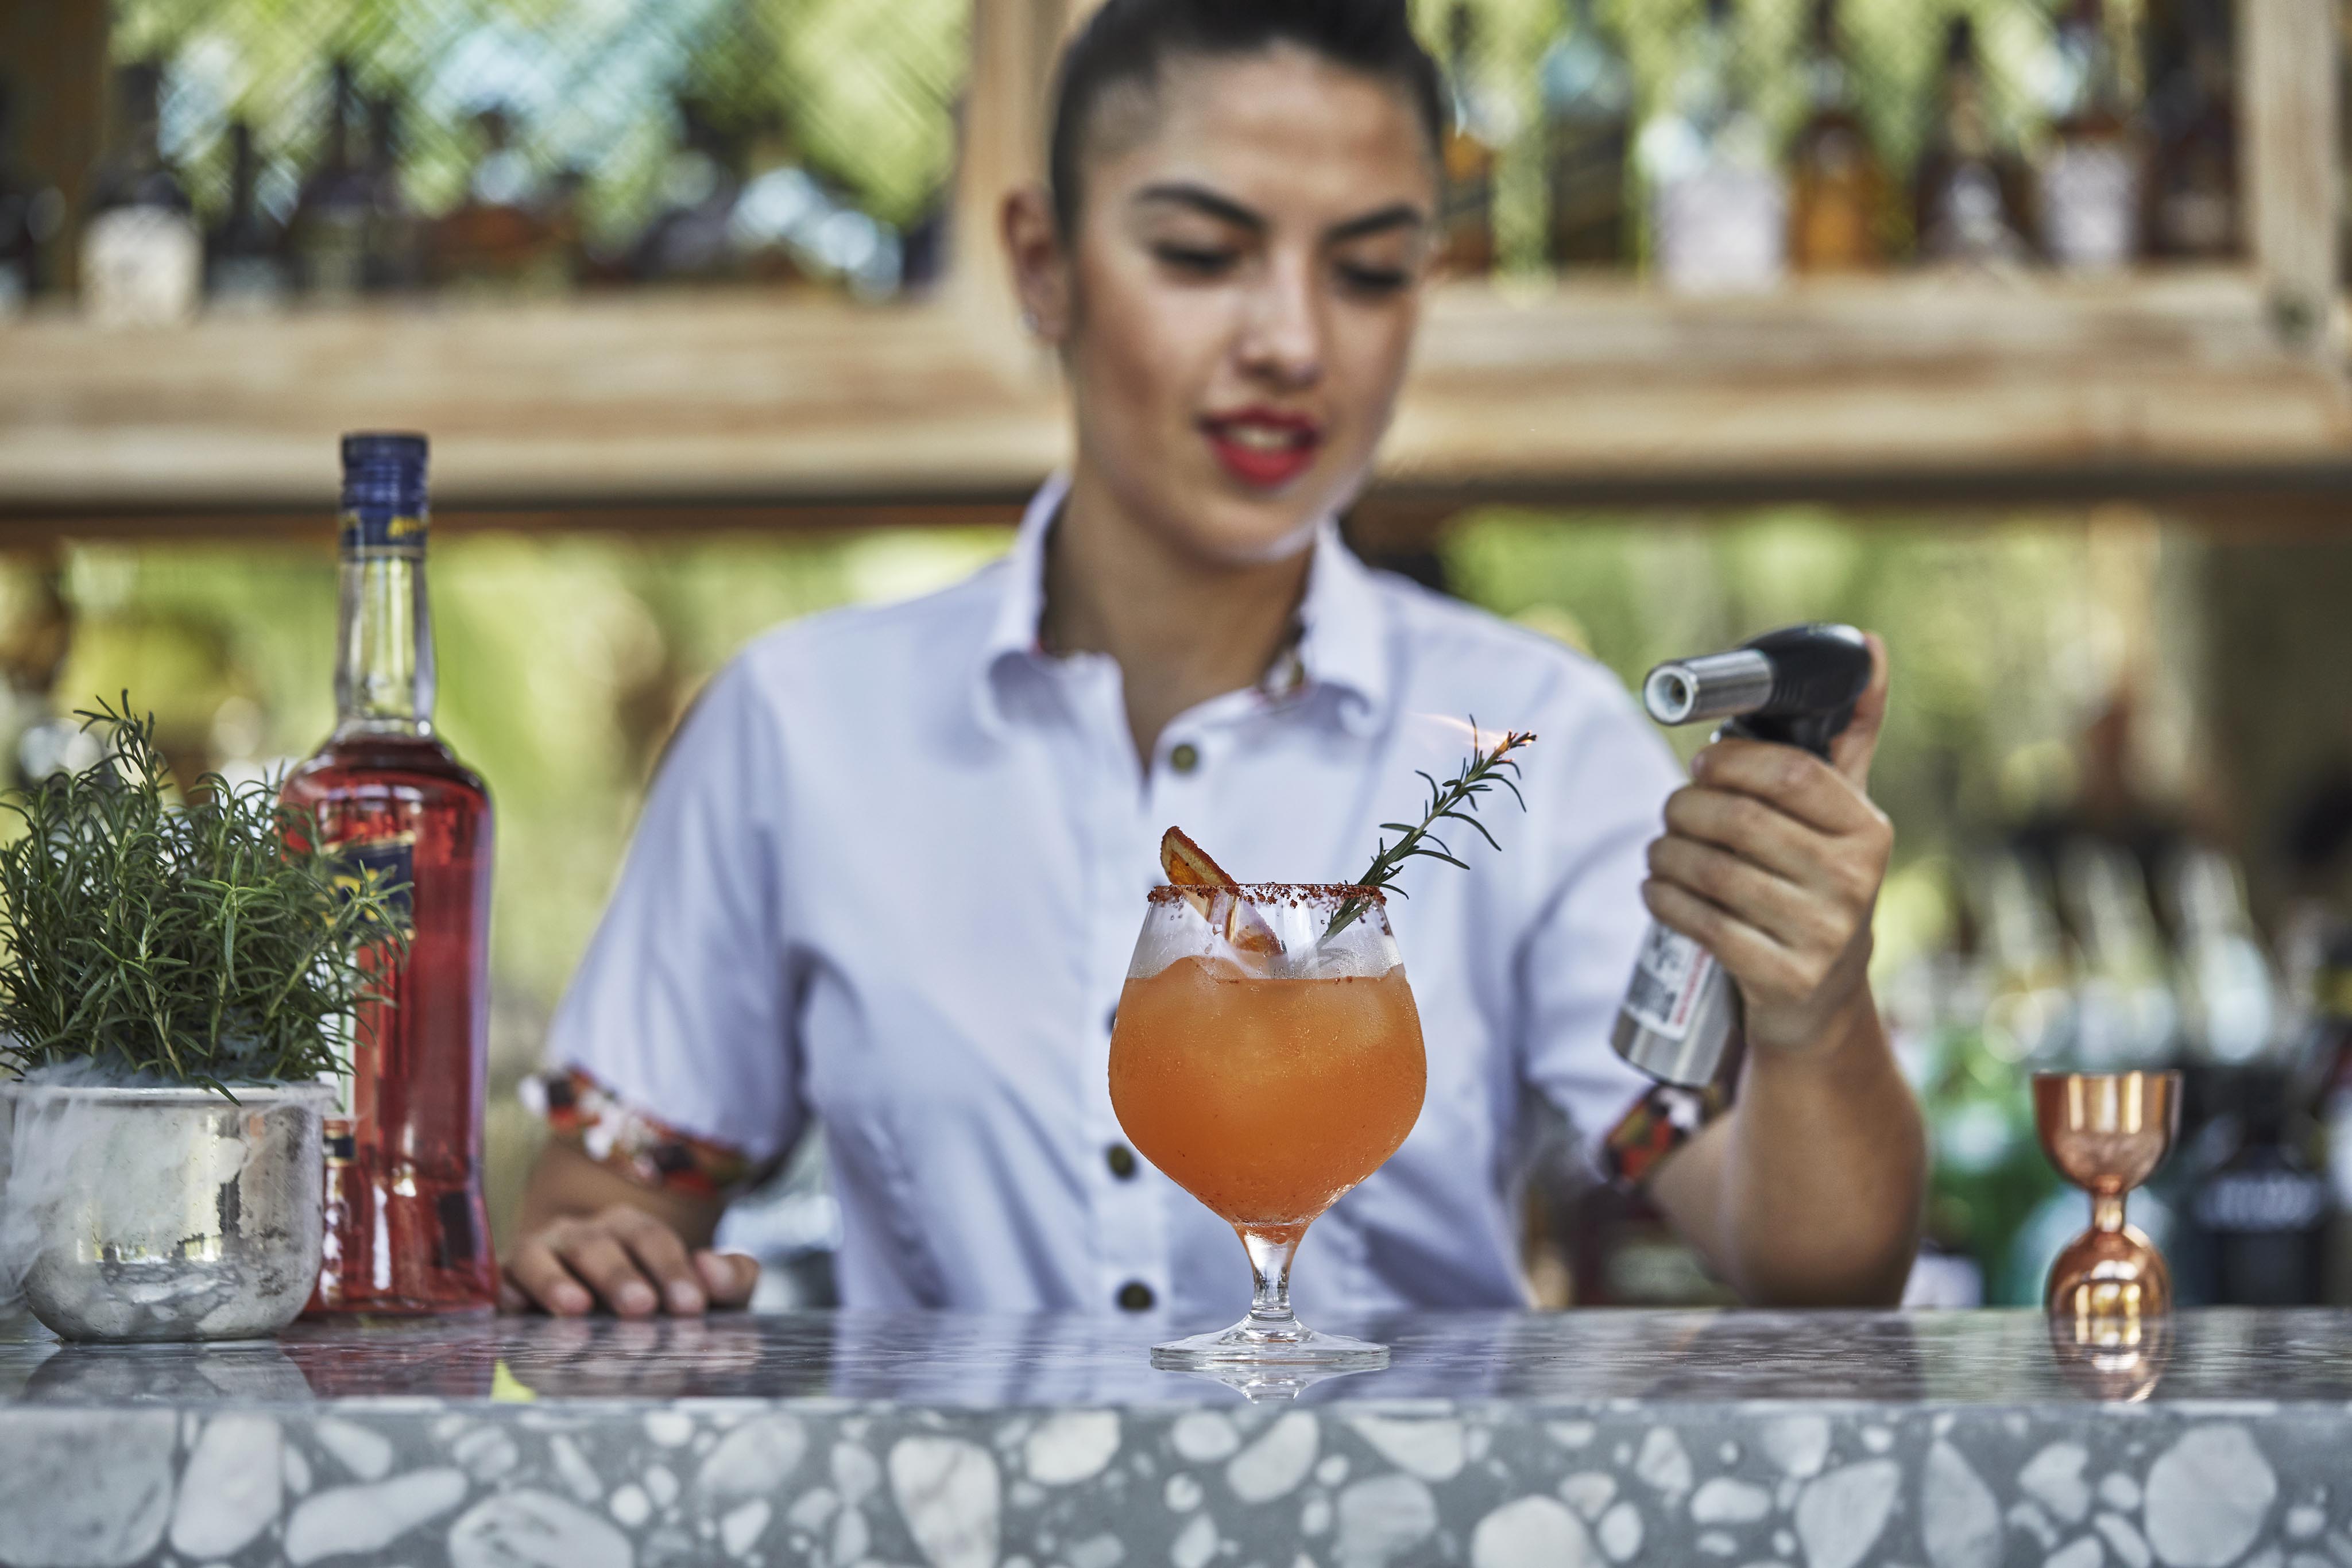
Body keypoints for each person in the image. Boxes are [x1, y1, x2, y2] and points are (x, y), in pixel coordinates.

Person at [503, 0, 1925, 1321]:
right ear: (1042, 266)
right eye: (1199, 255)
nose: (1291, 342)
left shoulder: (1526, 738)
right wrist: (602, 1260)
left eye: (1368, 271)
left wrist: (1811, 1015)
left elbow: (1803, 1260)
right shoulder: (800, 727)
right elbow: (607, 1207)